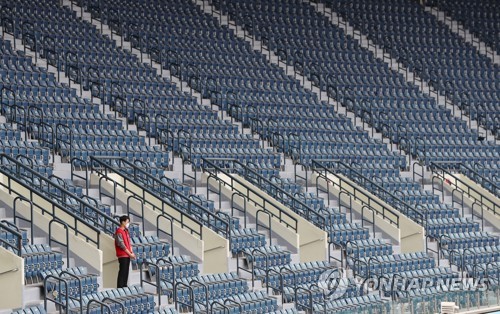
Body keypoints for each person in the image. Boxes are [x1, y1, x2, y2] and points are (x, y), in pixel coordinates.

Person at [114, 215, 135, 288]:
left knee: (126, 272)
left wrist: (131, 252)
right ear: (122, 222)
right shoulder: (119, 232)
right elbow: (121, 245)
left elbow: (129, 243)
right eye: (127, 222)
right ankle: (120, 286)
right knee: (122, 271)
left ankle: (124, 286)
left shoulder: (126, 231)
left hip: (127, 255)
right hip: (123, 255)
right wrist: (130, 253)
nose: (128, 223)